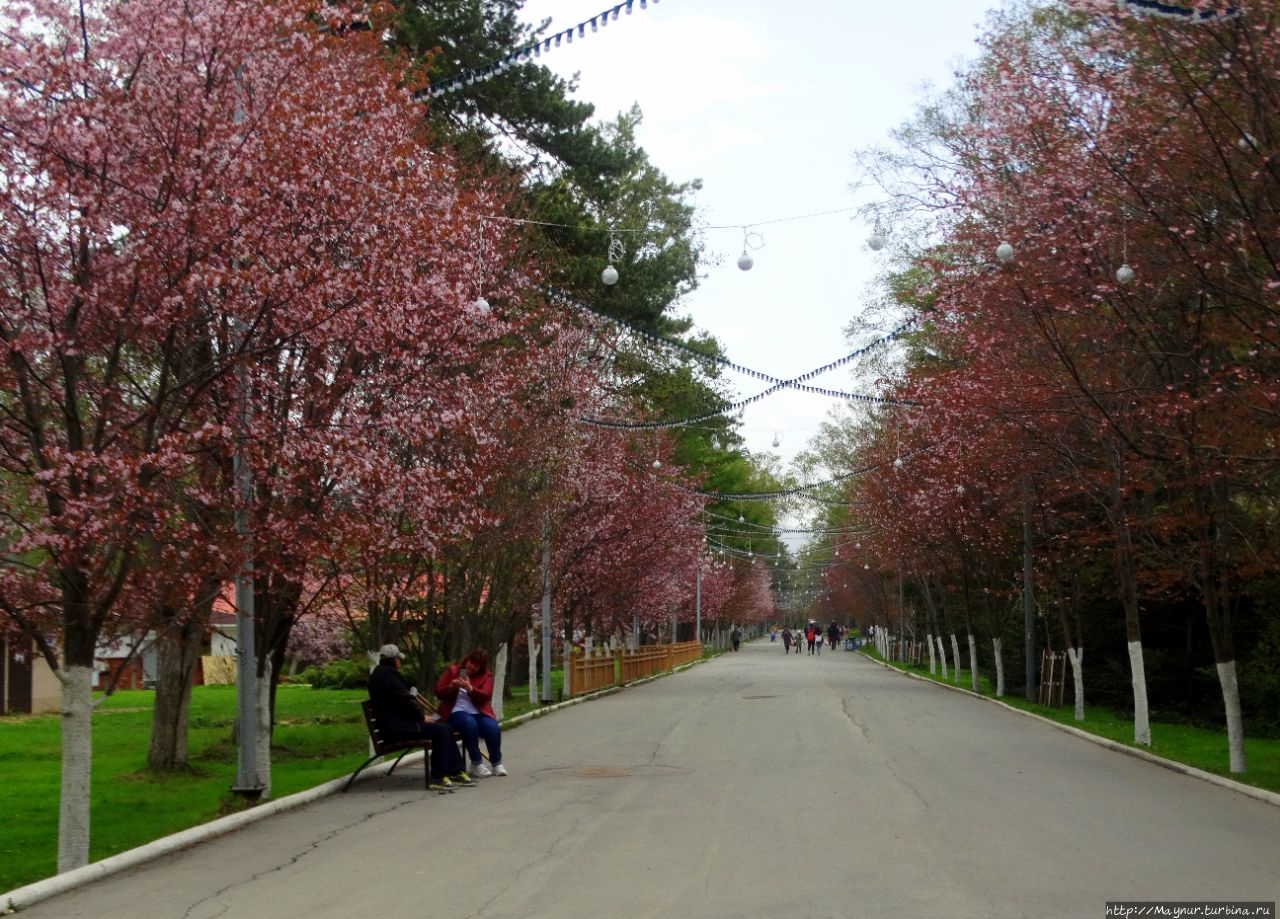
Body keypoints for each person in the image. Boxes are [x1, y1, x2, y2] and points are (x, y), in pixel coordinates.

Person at [367, 643, 473, 793]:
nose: (400, 662)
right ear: (393, 660)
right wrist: (421, 718)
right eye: (399, 659)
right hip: (397, 729)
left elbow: (399, 702)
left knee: (445, 727)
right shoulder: (389, 675)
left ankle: (455, 771)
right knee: (441, 730)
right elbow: (404, 701)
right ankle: (438, 777)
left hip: (393, 725)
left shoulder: (380, 673)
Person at [436, 647, 506, 777]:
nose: (472, 667)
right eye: (471, 662)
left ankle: (496, 762)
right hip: (455, 711)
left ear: (481, 667)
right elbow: (438, 691)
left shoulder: (486, 675)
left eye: (477, 665)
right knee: (469, 723)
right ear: (466, 660)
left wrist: (471, 690)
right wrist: (451, 687)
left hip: (478, 712)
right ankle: (476, 762)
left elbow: (486, 695)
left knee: (493, 728)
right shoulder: (453, 670)